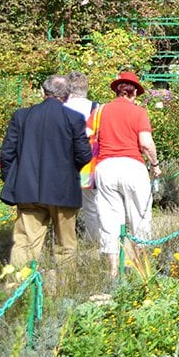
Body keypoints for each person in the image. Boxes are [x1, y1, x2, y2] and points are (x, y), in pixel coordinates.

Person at [0, 75, 92, 269]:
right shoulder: (74, 118)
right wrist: (69, 172)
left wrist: (14, 180)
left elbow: (7, 154)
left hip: (28, 190)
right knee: (65, 246)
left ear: (43, 92)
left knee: (24, 243)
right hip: (63, 190)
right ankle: (65, 291)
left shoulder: (21, 116)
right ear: (67, 96)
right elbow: (84, 154)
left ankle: (19, 288)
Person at [90, 71, 161, 278]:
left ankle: (113, 271)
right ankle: (142, 267)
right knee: (139, 216)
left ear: (117, 90)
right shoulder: (138, 112)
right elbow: (146, 144)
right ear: (135, 93)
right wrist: (155, 164)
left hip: (106, 167)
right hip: (132, 166)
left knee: (109, 219)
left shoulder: (100, 111)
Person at [64, 71, 100, 241]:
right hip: (90, 161)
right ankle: (93, 238)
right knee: (91, 204)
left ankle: (66, 238)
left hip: (65, 160)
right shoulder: (97, 108)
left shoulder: (62, 108)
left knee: (64, 204)